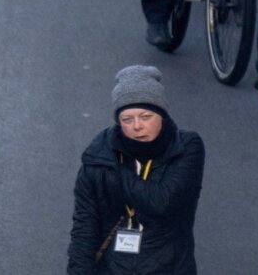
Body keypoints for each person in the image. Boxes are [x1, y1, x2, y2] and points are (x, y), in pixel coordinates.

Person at [65, 66, 205, 275]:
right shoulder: (99, 153)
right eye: (127, 120)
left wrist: (115, 170)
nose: (137, 126)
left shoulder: (186, 147)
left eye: (146, 116)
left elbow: (161, 202)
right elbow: (85, 225)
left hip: (169, 268)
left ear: (162, 115)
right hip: (111, 268)